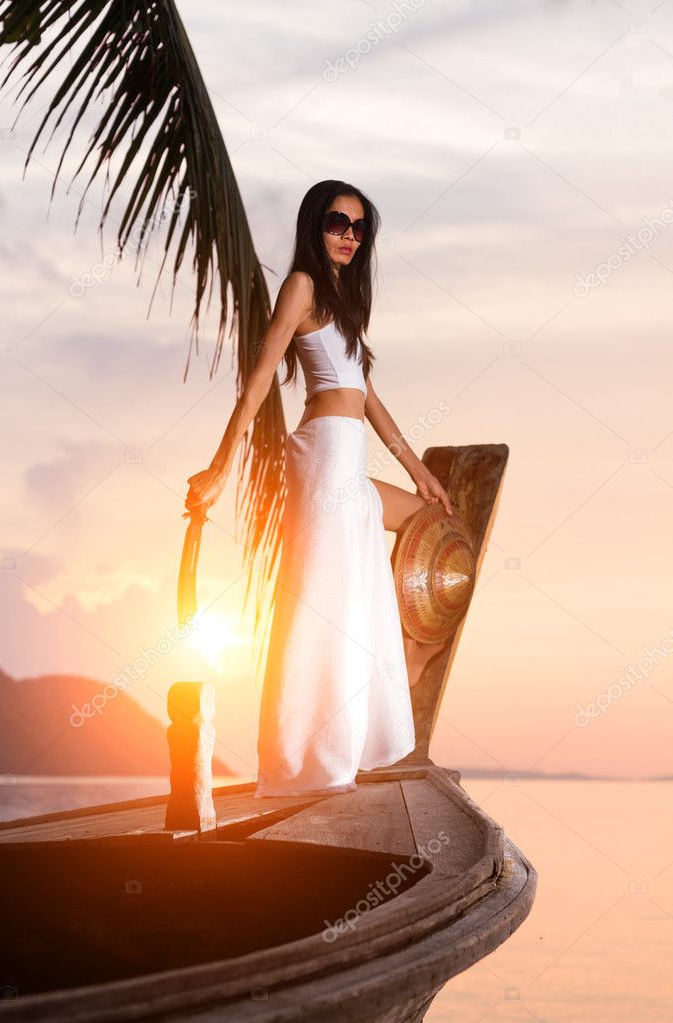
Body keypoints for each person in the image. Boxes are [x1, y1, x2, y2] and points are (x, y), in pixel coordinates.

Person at [184, 180, 453, 798]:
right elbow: (258, 379)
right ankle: (310, 759)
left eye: (360, 228)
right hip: (324, 455)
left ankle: (402, 668)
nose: (349, 236)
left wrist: (418, 470)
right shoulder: (302, 285)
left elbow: (368, 397)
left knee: (435, 531)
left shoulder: (346, 303)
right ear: (315, 225)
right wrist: (222, 467)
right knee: (323, 603)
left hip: (348, 458)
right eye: (338, 223)